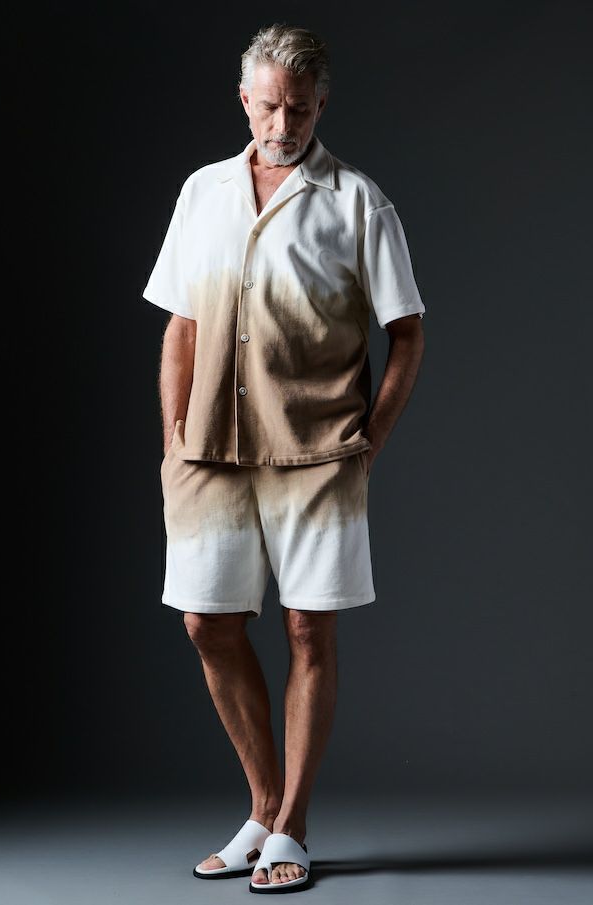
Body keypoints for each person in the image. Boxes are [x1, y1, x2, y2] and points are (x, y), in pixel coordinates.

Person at [142, 22, 426, 894]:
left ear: (321, 105)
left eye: (298, 109)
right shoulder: (202, 192)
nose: (282, 124)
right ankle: (263, 806)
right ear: (244, 100)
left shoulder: (358, 202)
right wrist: (171, 438)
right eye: (268, 106)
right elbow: (181, 324)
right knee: (206, 622)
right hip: (208, 449)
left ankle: (291, 825)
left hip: (316, 452)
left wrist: (371, 438)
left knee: (308, 628)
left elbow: (408, 333)